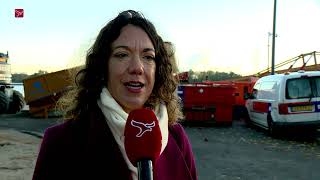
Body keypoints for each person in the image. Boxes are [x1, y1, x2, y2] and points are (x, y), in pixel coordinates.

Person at [32, 10, 198, 180]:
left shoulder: (177, 137)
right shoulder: (60, 142)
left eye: (148, 57)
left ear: (158, 70)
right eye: (122, 55)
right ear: (103, 67)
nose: (137, 67)